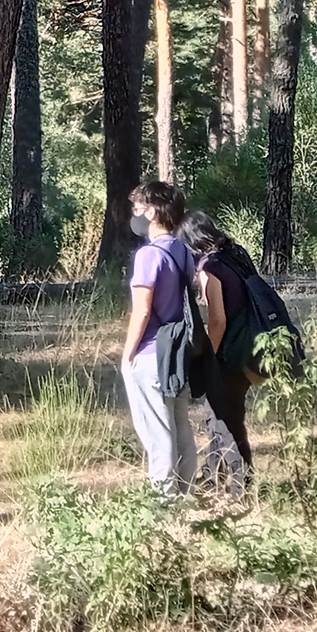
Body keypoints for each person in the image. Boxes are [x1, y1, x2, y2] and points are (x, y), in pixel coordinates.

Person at [121, 179, 198, 493]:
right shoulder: (183, 252)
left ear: (152, 212)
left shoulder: (148, 256)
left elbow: (141, 311)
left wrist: (128, 356)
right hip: (179, 351)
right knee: (181, 427)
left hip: (151, 354)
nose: (135, 214)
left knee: (157, 432)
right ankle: (186, 493)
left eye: (138, 207)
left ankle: (165, 501)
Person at [178, 209, 260, 485]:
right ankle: (213, 476)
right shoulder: (237, 255)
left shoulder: (210, 268)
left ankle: (239, 483)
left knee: (224, 421)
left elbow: (218, 320)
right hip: (249, 347)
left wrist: (207, 357)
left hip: (229, 353)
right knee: (223, 415)